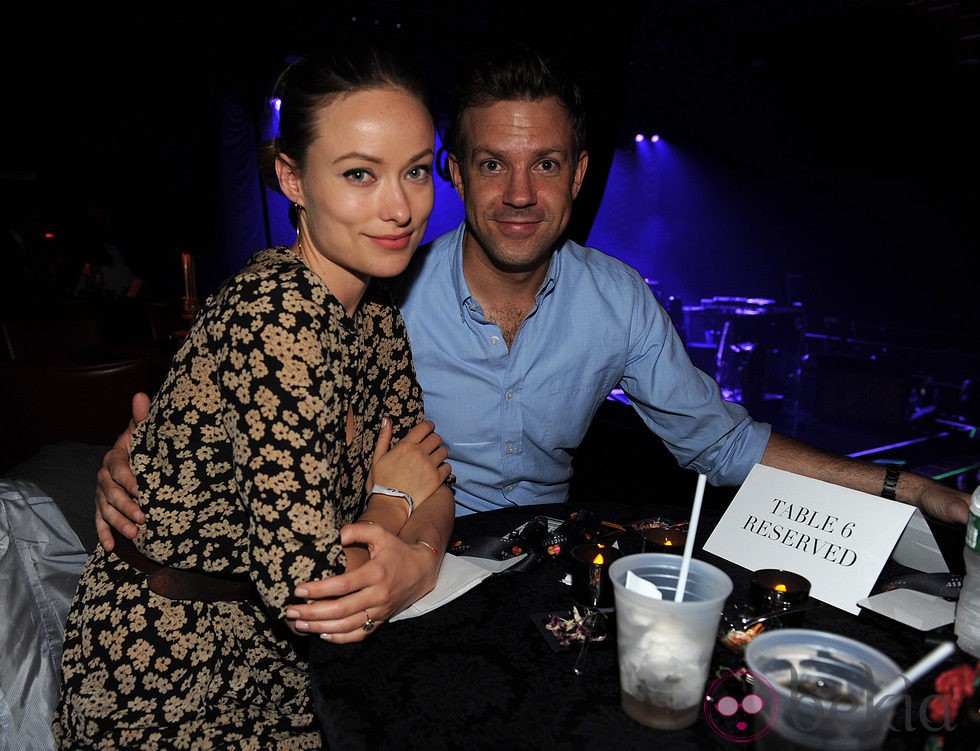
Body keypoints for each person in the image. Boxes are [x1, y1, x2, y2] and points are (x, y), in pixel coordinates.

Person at [95, 44, 970, 634]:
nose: (519, 192)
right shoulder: (379, 287)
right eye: (491, 163)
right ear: (457, 175)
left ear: (578, 175)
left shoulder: (618, 300)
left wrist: (904, 484)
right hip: (394, 576)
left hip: (547, 573)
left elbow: (725, 443)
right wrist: (143, 459)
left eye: (545, 163)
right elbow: (237, 396)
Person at [54, 39, 454, 749]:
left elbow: (434, 477)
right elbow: (312, 588)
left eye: (416, 172)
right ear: (292, 179)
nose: (400, 207)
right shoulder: (277, 312)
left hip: (270, 656)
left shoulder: (379, 316)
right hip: (168, 668)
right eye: (360, 174)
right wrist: (395, 517)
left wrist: (413, 560)